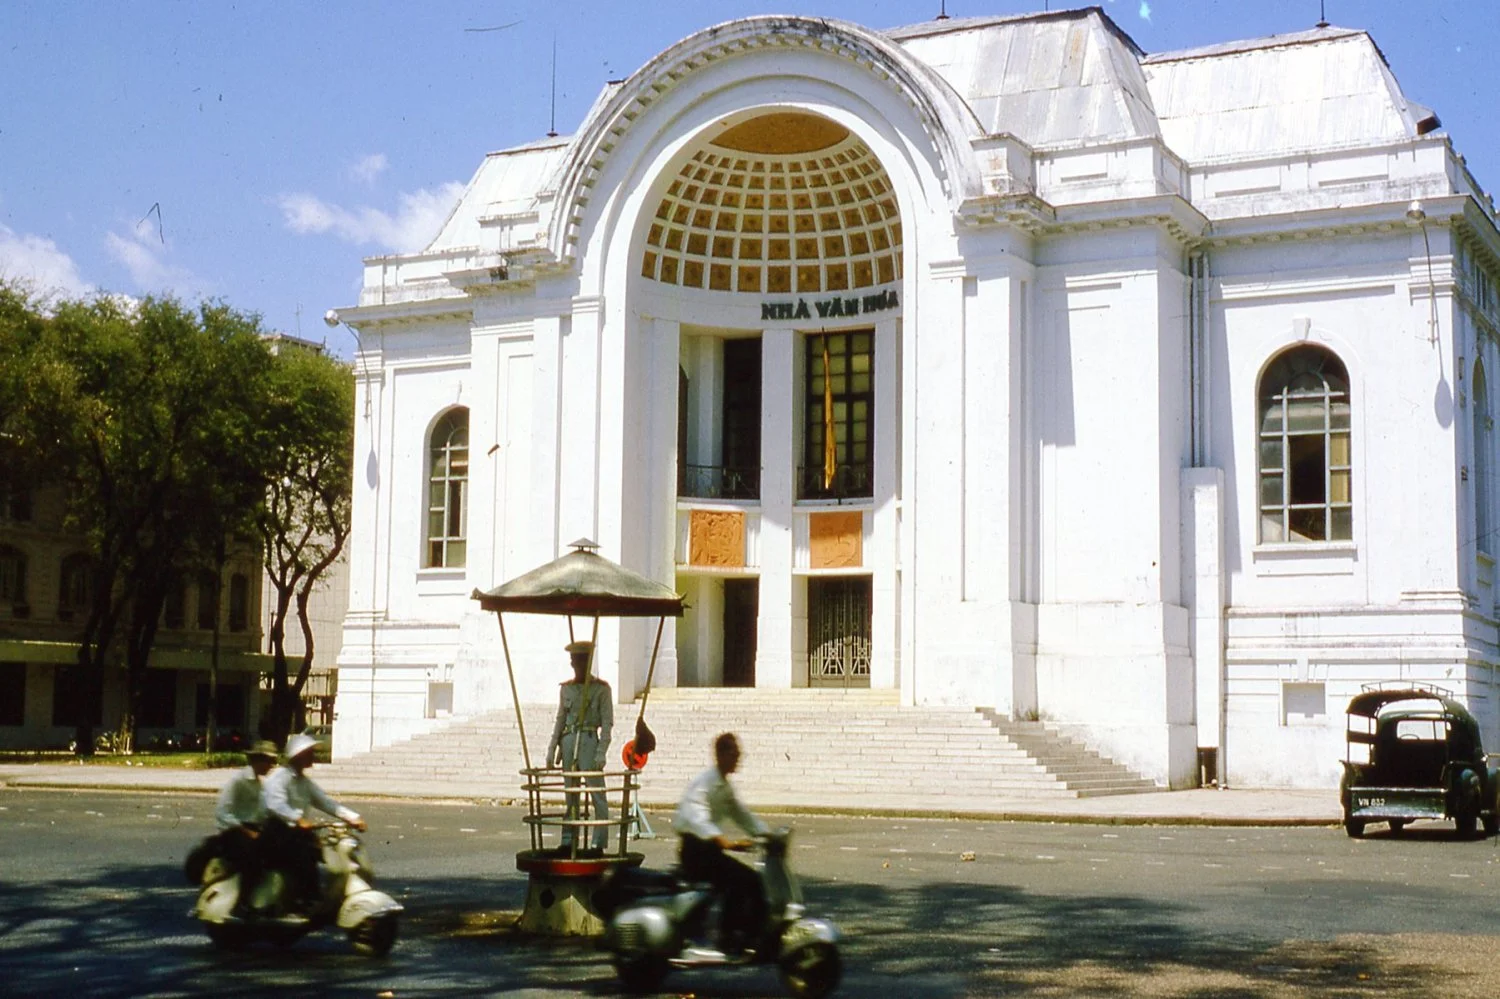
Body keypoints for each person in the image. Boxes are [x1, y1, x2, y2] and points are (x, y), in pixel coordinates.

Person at [673, 731, 769, 955]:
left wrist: (766, 834)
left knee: (751, 880)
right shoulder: (705, 783)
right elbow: (696, 817)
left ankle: (744, 935)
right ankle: (727, 938)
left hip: (709, 849)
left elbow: (741, 814)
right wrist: (723, 841)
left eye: (739, 754)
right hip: (695, 850)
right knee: (740, 881)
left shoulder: (724, 786)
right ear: (721, 755)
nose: (738, 759)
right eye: (734, 754)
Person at [262, 732, 365, 912]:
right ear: (298, 755)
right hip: (275, 829)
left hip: (295, 831)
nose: (313, 756)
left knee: (325, 850)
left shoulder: (304, 782)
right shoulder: (280, 776)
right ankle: (301, 901)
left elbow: (325, 802)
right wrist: (298, 819)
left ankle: (315, 897)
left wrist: (352, 817)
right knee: (303, 854)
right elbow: (274, 803)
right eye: (309, 753)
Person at [546, 640, 614, 852]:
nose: (579, 666)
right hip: (569, 740)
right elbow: (560, 719)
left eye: (583, 661)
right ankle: (569, 840)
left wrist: (601, 752)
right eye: (576, 661)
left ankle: (598, 842)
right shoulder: (567, 689)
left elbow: (607, 724)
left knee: (597, 794)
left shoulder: (601, 689)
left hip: (589, 739)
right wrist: (552, 748)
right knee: (571, 793)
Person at [212, 740, 277, 915]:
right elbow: (222, 813)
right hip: (231, 831)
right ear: (256, 760)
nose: (271, 765)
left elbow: (263, 813)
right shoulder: (239, 781)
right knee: (253, 856)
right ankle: (241, 903)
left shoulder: (260, 784)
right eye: (268, 761)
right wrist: (246, 831)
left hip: (251, 829)